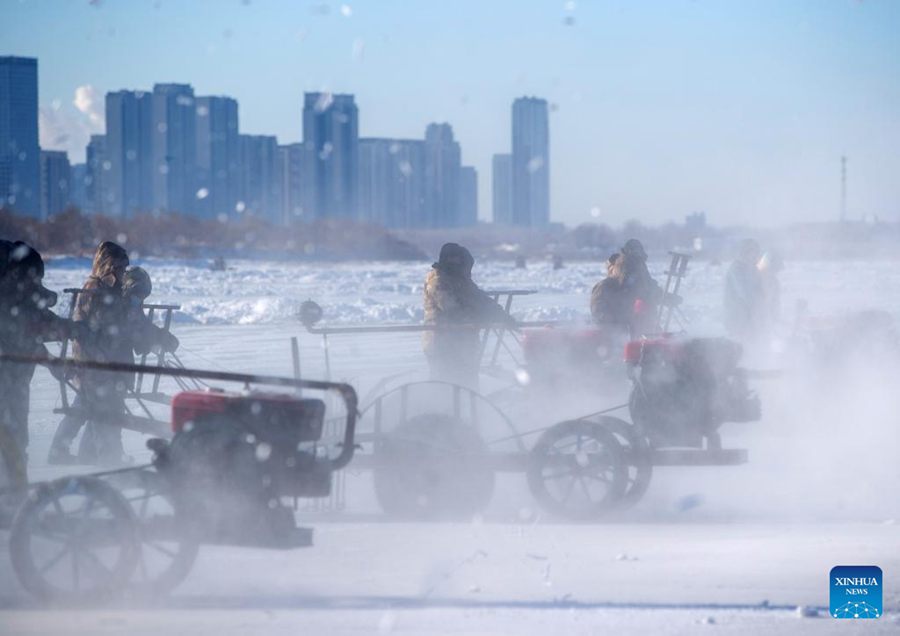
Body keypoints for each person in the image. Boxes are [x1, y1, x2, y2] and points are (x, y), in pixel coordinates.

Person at [48, 263, 179, 463]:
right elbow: (136, 331)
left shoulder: (121, 304)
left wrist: (158, 339)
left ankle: (77, 453)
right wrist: (159, 338)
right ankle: (110, 458)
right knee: (107, 413)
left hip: (100, 366)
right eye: (137, 294)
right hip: (103, 367)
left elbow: (139, 331)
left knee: (87, 406)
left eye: (143, 296)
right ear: (127, 288)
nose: (139, 300)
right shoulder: (114, 306)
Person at [0, 241, 80, 492]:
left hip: (16, 382)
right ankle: (12, 497)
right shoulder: (8, 301)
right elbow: (24, 338)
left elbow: (39, 328)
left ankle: (14, 494)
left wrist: (75, 330)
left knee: (16, 439)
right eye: (35, 276)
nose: (38, 282)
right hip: (7, 382)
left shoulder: (21, 299)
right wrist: (51, 361)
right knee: (10, 439)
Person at [423, 243, 513, 389]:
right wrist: (480, 318)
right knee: (445, 385)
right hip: (442, 342)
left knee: (468, 383)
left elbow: (479, 298)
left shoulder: (461, 280)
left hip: (464, 341)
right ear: (447, 260)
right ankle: (441, 409)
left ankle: (468, 408)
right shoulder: (437, 280)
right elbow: (450, 309)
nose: (458, 263)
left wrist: (500, 314)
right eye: (454, 259)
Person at [723, 239, 764, 341]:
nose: (756, 255)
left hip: (751, 315)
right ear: (745, 252)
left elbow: (760, 289)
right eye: (753, 252)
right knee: (742, 344)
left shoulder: (753, 268)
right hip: (738, 314)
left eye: (757, 252)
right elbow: (744, 292)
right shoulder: (737, 268)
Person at [590, 253, 630, 334]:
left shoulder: (626, 287)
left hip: (623, 330)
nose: (623, 272)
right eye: (620, 268)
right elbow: (597, 310)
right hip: (609, 331)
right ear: (612, 269)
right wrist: (613, 320)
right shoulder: (603, 286)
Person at [757, 250, 784, 332]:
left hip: (766, 321)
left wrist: (776, 318)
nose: (775, 272)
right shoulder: (755, 279)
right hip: (756, 321)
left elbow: (775, 302)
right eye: (775, 269)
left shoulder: (774, 282)